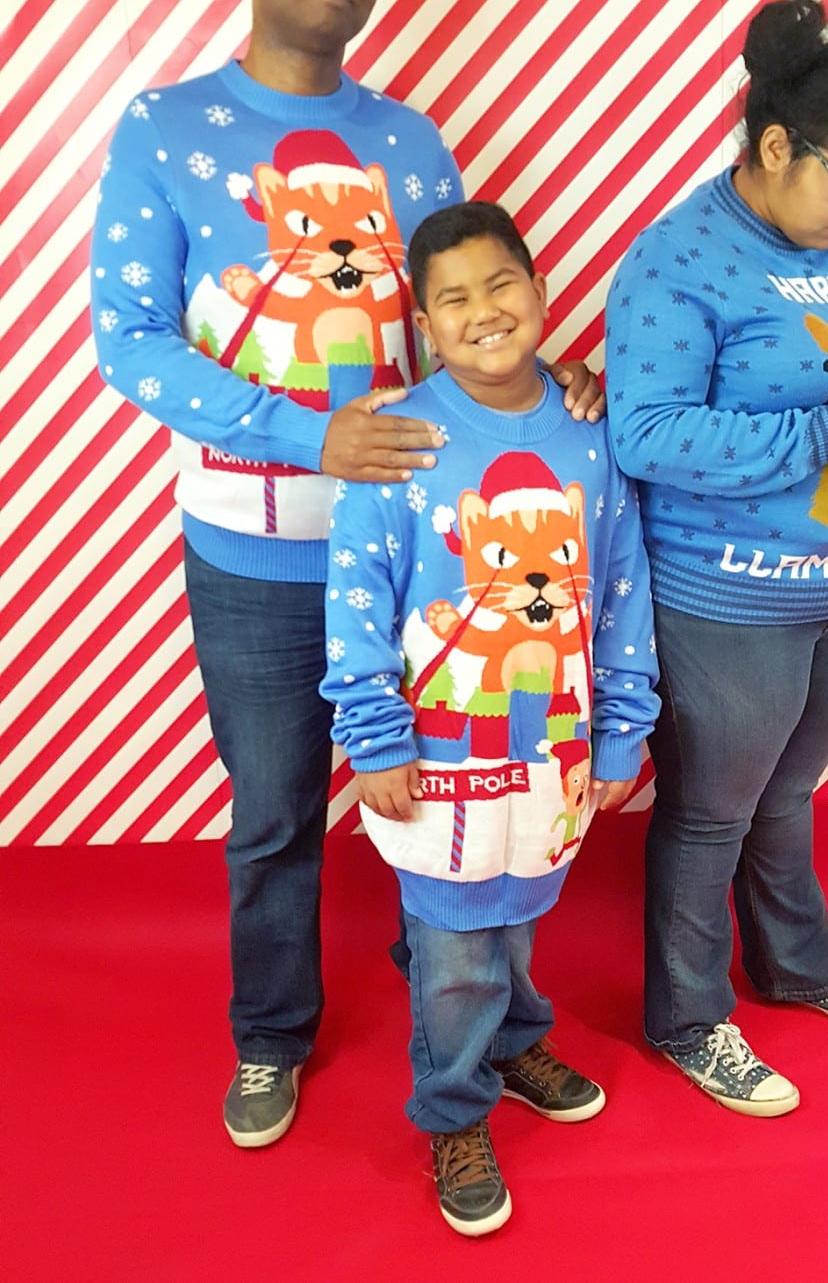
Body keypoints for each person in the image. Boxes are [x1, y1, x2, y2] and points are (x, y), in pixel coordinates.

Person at [89, 0, 601, 1150]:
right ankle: (271, 1034)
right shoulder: (165, 126)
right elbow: (129, 338)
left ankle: (481, 1027)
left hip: (429, 553)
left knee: (463, 795)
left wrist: (548, 386)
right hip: (254, 549)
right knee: (275, 807)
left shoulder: (412, 143)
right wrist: (305, 432)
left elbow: (459, 322)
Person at [605, 0, 828, 1118]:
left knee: (789, 791)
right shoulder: (676, 259)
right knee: (712, 810)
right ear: (775, 147)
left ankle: (796, 968)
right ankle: (687, 1018)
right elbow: (645, 435)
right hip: (725, 598)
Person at [321, 201, 659, 1235]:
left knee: (513, 912)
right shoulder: (402, 439)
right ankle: (454, 1109)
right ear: (426, 324)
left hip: (552, 746)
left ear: (540, 290)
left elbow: (622, 590)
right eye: (455, 299)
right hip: (434, 753)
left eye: (501, 284)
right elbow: (355, 598)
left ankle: (512, 1042)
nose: (485, 312)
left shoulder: (592, 434)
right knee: (457, 943)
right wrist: (373, 738)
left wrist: (622, 727)